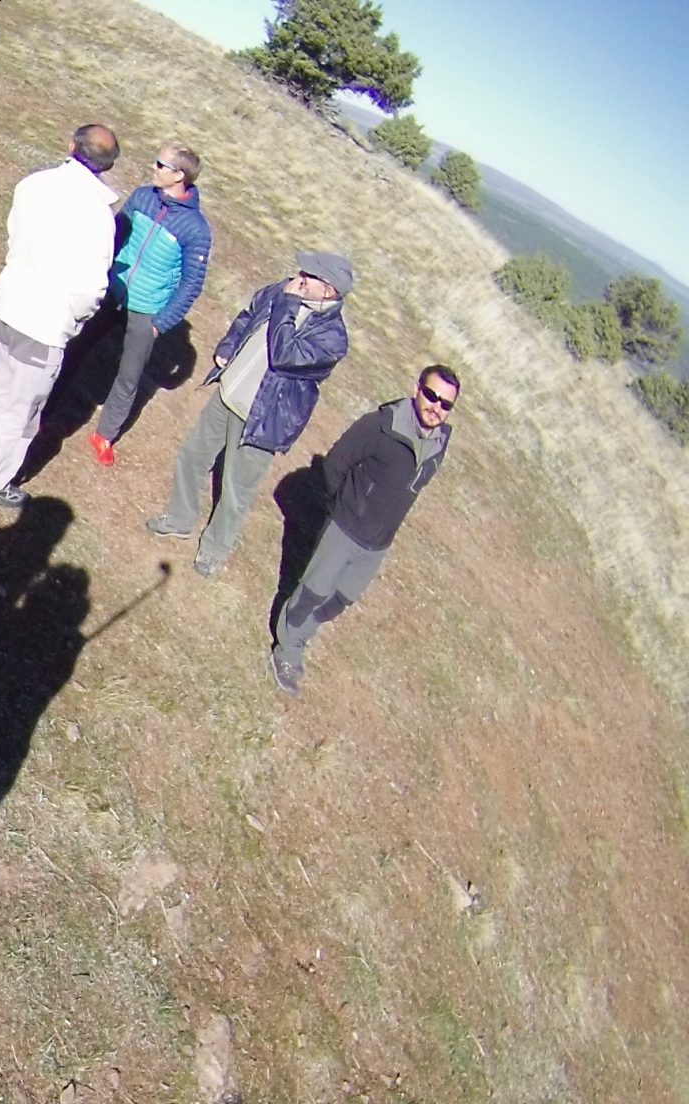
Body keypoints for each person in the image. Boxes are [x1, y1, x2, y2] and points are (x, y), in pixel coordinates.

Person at [146, 251, 353, 575]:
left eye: (309, 275)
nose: (299, 276)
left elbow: (286, 354)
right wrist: (228, 347)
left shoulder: (332, 339)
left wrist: (288, 305)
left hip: (262, 419)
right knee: (193, 456)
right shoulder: (282, 290)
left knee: (235, 488)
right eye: (302, 270)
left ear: (328, 290)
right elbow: (250, 315)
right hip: (228, 393)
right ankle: (179, 517)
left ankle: (214, 549)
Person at [270, 365, 459, 695]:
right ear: (417, 389)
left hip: (378, 544)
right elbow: (334, 466)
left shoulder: (439, 442)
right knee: (312, 592)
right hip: (345, 528)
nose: (436, 407)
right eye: (431, 395)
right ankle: (286, 650)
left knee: (340, 600)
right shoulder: (381, 426)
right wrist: (343, 511)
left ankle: (301, 636)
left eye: (445, 404)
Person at [0, 123, 121, 510]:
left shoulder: (33, 183)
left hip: (8, 305)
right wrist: (75, 320)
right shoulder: (99, 217)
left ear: (71, 146)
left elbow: (14, 233)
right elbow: (92, 288)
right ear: (109, 166)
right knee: (23, 410)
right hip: (46, 325)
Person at [85, 143, 212, 466]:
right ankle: (48, 402)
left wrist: (161, 323)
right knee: (76, 346)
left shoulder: (196, 229)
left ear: (179, 175)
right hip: (112, 290)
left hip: (147, 310)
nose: (152, 167)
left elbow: (191, 283)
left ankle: (105, 435)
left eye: (160, 164)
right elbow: (115, 234)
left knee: (128, 377)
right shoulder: (142, 196)